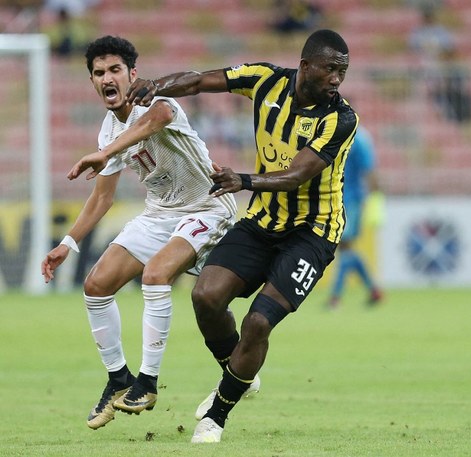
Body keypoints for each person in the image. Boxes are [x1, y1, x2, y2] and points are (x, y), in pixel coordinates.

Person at [127, 29, 357, 444]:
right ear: (306, 66)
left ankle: (217, 414)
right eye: (331, 69)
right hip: (263, 221)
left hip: (313, 232)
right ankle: (239, 376)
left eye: (343, 71)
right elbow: (198, 81)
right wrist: (155, 86)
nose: (337, 79)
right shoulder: (264, 78)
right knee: (205, 296)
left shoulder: (340, 118)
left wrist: (243, 179)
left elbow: (298, 175)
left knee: (257, 322)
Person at [40, 35, 241, 430]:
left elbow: (159, 120)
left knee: (156, 275)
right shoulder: (106, 130)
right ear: (93, 82)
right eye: (99, 73)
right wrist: (68, 243)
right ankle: (120, 379)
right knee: (95, 285)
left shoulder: (157, 102)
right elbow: (102, 198)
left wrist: (108, 151)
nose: (106, 78)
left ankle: (148, 382)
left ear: (133, 74)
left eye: (115, 69)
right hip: (160, 213)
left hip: (206, 206)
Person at [328, 125, 383, 308]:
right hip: (338, 199)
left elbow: (370, 169)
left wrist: (375, 198)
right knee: (346, 247)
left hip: (352, 200)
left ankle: (335, 296)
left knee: (344, 244)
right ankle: (373, 289)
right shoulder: (337, 133)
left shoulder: (359, 138)